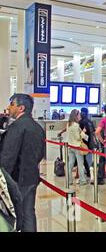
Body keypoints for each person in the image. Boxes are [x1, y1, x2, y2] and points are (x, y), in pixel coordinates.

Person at [0, 94, 45, 232]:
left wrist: (2, 177)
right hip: (31, 177)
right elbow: (40, 155)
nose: (8, 108)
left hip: (16, 179)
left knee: (14, 214)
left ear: (21, 108)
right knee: (29, 212)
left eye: (12, 104)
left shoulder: (16, 128)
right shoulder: (38, 128)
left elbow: (8, 156)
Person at [65, 109, 88, 186]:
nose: (80, 116)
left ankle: (69, 180)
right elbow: (78, 137)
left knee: (70, 164)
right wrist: (83, 132)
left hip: (70, 146)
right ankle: (82, 180)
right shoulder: (76, 125)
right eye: (78, 115)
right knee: (80, 164)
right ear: (76, 116)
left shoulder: (68, 124)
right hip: (77, 146)